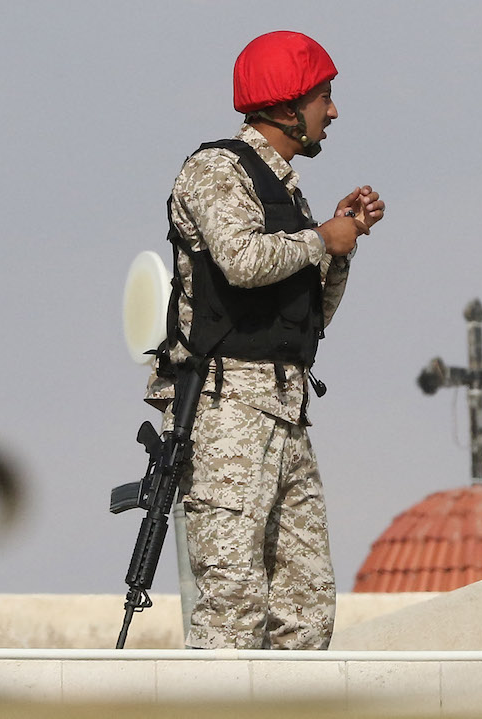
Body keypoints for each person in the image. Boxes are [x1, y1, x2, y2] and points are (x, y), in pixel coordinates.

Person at [144, 30, 385, 650]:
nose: (333, 112)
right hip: (226, 412)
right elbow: (242, 261)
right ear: (286, 105)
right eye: (323, 97)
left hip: (286, 410)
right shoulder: (216, 170)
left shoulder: (287, 194)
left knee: (306, 613)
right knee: (232, 606)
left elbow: (312, 318)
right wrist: (320, 239)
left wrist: (342, 243)